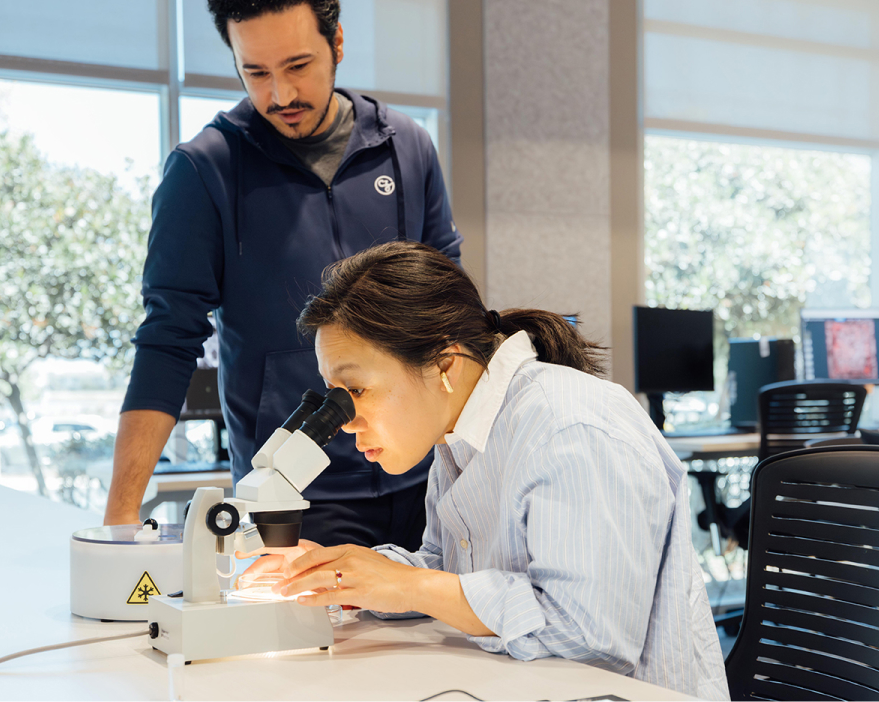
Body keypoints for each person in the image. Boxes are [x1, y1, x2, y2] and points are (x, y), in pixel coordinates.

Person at [249, 241, 727, 700]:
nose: (346, 420)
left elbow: (590, 632)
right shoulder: (458, 438)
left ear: (444, 365)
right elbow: (446, 573)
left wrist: (409, 585)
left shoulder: (569, 426)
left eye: (354, 390)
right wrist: (344, 574)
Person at [105, 0, 461, 551]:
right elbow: (168, 340)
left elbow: (450, 312)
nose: (281, 94)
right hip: (293, 502)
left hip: (428, 482)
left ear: (337, 41)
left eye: (298, 66)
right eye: (256, 72)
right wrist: (118, 523)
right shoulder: (204, 172)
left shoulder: (407, 149)